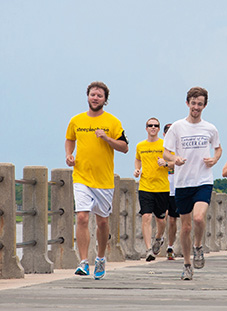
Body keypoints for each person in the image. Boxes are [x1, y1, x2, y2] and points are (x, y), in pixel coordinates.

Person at [64, 81, 129, 279]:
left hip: (104, 181)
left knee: (102, 223)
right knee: (82, 217)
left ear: (105, 100)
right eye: (93, 94)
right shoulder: (76, 120)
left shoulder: (113, 122)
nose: (95, 98)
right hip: (81, 176)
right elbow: (70, 139)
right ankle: (83, 262)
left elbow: (125, 147)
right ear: (88, 96)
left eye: (99, 96)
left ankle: (100, 258)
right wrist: (69, 154)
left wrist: (107, 139)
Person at [163, 87, 222, 280]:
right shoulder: (177, 127)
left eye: (200, 104)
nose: (196, 107)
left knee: (198, 218)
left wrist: (214, 159)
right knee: (185, 226)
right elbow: (165, 152)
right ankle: (187, 264)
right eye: (193, 103)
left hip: (203, 180)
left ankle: (198, 246)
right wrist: (174, 160)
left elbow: (218, 149)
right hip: (182, 182)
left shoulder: (210, 128)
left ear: (204, 105)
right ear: (187, 103)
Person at [133, 117, 171, 262]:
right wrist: (137, 169)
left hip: (162, 187)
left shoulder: (165, 145)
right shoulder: (140, 146)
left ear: (159, 129)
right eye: (150, 125)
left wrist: (166, 163)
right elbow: (137, 159)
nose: (153, 128)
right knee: (146, 216)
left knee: (161, 219)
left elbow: (175, 163)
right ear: (146, 128)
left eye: (156, 126)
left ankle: (159, 237)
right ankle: (148, 249)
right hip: (145, 186)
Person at [162, 123, 179, 260]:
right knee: (161, 217)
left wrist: (168, 164)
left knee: (173, 220)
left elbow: (182, 162)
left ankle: (170, 246)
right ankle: (159, 238)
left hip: (176, 188)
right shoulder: (159, 147)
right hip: (160, 187)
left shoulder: (179, 149)